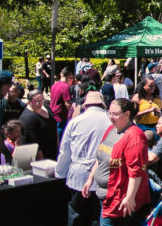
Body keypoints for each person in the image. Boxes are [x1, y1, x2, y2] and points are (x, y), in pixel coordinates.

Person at [84, 99, 150, 226]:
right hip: (104, 196)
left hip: (119, 200)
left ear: (127, 114)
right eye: (109, 113)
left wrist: (130, 197)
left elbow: (136, 171)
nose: (111, 117)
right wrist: (90, 178)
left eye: (115, 114)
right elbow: (101, 158)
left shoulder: (134, 136)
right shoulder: (110, 129)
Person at [56, 91, 111, 226]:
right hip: (102, 175)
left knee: (76, 214)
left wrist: (59, 173)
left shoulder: (74, 122)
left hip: (78, 175)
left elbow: (65, 151)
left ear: (85, 105)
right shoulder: (110, 120)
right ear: (102, 105)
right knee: (97, 216)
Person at [20, 89, 59, 160]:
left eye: (42, 100)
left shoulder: (46, 108)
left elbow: (54, 127)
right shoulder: (27, 118)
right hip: (42, 156)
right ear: (29, 102)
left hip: (53, 152)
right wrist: (42, 161)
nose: (40, 104)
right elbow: (33, 143)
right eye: (36, 101)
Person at [132, 76, 162, 142]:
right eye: (150, 86)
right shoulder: (137, 97)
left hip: (156, 127)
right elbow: (132, 115)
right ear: (144, 86)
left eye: (154, 86)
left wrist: (158, 114)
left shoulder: (157, 97)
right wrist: (148, 111)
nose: (152, 88)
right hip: (142, 128)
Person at [51, 68, 74, 142]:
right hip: (61, 115)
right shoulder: (66, 87)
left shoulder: (54, 85)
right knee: (61, 138)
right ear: (69, 76)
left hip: (52, 112)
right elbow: (67, 103)